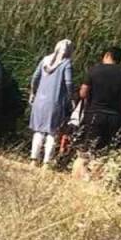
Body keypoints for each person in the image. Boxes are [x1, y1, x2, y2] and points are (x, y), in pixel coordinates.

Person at [78, 46, 121, 161]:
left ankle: (83, 175)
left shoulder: (94, 70)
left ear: (107, 55)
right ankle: (98, 173)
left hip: (95, 114)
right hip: (114, 116)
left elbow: (83, 93)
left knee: (88, 148)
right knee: (104, 151)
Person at [28, 39, 74, 167]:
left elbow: (35, 78)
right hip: (56, 102)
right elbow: (69, 83)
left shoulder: (45, 60)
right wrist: (71, 98)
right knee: (52, 132)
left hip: (39, 102)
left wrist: (33, 93)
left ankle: (33, 159)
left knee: (38, 131)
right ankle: (46, 163)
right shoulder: (66, 63)